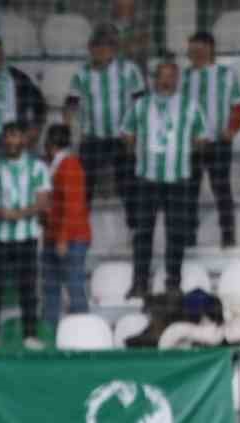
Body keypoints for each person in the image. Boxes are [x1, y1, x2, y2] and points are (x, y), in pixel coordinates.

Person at [121, 58, 208, 301]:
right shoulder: (140, 106)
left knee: (175, 233)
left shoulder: (190, 106)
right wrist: (141, 153)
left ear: (177, 79)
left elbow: (202, 137)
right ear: (155, 79)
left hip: (178, 179)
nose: (167, 80)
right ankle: (139, 283)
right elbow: (127, 133)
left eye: (172, 76)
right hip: (146, 179)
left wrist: (181, 151)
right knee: (143, 233)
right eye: (163, 75)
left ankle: (173, 283)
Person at [0, 121, 51, 350]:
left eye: (16, 136)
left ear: (24, 139)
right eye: (8, 136)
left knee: (27, 288)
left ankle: (30, 335)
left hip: (26, 237)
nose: (12, 141)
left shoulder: (37, 167)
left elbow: (43, 201)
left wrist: (19, 214)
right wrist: (0, 213)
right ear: (3, 139)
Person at [65, 25, 143, 216]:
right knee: (84, 186)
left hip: (122, 138)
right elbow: (71, 104)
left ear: (114, 49)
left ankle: (135, 226)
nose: (101, 50)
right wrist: (70, 132)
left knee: (128, 186)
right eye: (97, 46)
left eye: (106, 46)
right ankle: (80, 225)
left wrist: (136, 132)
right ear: (90, 48)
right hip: (92, 138)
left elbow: (141, 102)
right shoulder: (81, 74)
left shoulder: (129, 70)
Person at [183, 32, 240, 249]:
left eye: (200, 49)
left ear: (210, 49)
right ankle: (189, 238)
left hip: (218, 142)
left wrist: (232, 129)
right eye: (192, 50)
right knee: (188, 192)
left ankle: (228, 236)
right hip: (191, 145)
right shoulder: (184, 77)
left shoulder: (226, 75)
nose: (196, 53)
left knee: (221, 189)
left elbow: (238, 105)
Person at [42, 124, 91, 327]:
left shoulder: (69, 165)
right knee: (50, 286)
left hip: (71, 237)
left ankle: (84, 330)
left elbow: (72, 206)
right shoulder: (56, 165)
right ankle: (50, 330)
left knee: (74, 285)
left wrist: (62, 238)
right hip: (54, 235)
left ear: (50, 144)